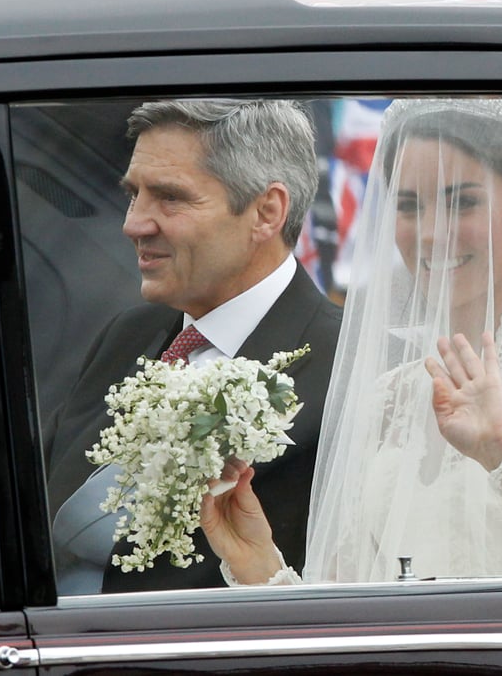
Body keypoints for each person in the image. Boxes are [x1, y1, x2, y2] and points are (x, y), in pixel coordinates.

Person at [201, 97, 502, 585]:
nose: (431, 234)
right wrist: (257, 563)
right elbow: (342, 614)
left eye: (462, 201)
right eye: (409, 207)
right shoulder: (387, 398)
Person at [45, 99, 342, 594]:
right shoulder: (129, 335)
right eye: (133, 195)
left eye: (170, 198)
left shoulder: (341, 371)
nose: (134, 223)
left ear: (267, 212)